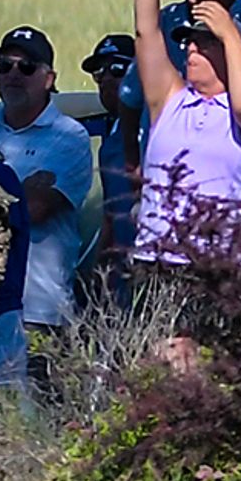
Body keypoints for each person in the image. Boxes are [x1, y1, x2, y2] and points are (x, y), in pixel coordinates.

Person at [129, 0, 241, 366]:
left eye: (203, 43)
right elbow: (147, 32)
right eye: (189, 40)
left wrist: (227, 32)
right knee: (154, 374)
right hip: (157, 264)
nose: (190, 48)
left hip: (217, 271)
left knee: (201, 378)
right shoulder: (170, 100)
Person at [0, 23, 96, 386]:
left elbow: (33, 211)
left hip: (38, 307)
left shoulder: (69, 137)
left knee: (35, 417)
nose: (14, 74)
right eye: (5, 65)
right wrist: (19, 190)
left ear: (48, 78)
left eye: (26, 67)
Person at [84, 30, 145, 299]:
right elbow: (111, 213)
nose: (106, 78)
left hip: (155, 266)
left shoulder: (153, 125)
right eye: (99, 72)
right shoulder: (111, 136)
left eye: (118, 68)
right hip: (120, 278)